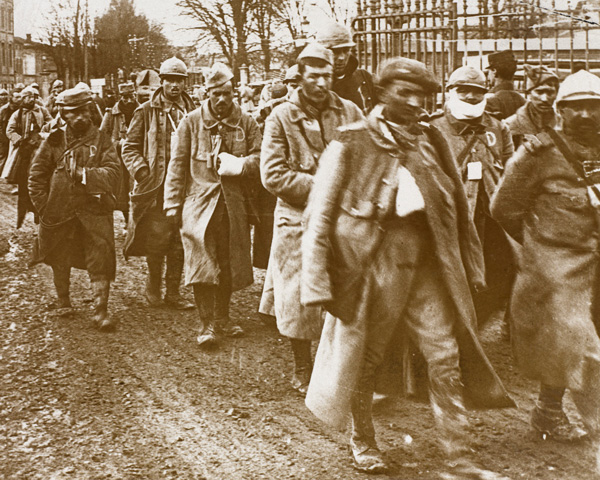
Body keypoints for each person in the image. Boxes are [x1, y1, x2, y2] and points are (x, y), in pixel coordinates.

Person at [302, 57, 514, 478]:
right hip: (372, 267)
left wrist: (471, 266)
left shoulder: (431, 139)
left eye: (422, 95)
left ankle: (458, 453)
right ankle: (363, 439)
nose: (416, 102)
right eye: (405, 93)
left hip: (428, 265)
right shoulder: (351, 141)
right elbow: (319, 216)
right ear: (382, 94)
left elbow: (457, 207)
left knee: (445, 353)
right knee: (366, 356)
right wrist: (316, 282)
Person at [491, 69, 600, 443]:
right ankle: (584, 420)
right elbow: (503, 207)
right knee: (580, 343)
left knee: (573, 343)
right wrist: (538, 244)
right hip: (560, 265)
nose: (585, 116)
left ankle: (547, 412)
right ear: (560, 110)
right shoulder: (537, 152)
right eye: (576, 108)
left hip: (595, 261)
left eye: (593, 107)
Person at [259, 43, 363, 393]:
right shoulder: (280, 117)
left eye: (327, 75)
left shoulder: (349, 110)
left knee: (347, 290)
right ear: (300, 76)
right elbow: (273, 175)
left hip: (343, 218)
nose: (321, 82)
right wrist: (322, 186)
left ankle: (337, 367)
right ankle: (302, 366)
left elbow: (365, 156)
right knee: (299, 295)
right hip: (297, 217)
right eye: (314, 75)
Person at [164, 62, 262, 345]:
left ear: (234, 93)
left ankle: (223, 318)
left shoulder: (247, 122)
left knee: (229, 262)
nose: (222, 100)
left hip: (233, 204)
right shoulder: (191, 122)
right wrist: (172, 203)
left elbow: (262, 157)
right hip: (198, 204)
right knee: (201, 262)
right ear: (206, 93)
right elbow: (177, 164)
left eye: (228, 94)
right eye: (216, 94)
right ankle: (206, 325)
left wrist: (242, 164)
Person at [28, 86, 121, 330]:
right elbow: (36, 176)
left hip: (94, 210)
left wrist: (84, 175)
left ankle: (100, 312)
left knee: (101, 254)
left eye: (83, 111)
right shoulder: (54, 140)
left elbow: (114, 173)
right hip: (59, 212)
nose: (80, 116)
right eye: (73, 112)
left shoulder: (101, 140)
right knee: (60, 253)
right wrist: (44, 207)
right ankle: (63, 301)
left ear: (90, 111)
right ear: (63, 114)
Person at [429, 66, 515, 325]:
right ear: (450, 91)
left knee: (496, 274)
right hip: (453, 216)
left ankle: (475, 326)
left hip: (491, 215)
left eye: (477, 92)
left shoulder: (498, 128)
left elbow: (510, 170)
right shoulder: (433, 128)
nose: (470, 97)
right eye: (463, 90)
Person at [122, 57, 196, 310]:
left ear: (185, 83)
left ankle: (173, 293)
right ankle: (153, 287)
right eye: (170, 80)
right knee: (157, 238)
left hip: (188, 185)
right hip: (157, 187)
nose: (175, 86)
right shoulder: (145, 110)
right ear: (162, 82)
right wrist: (142, 171)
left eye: (179, 81)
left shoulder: (194, 111)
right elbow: (129, 147)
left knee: (179, 240)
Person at [5, 85, 52, 227]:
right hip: (24, 152)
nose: (30, 100)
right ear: (23, 99)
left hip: (40, 150)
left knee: (42, 182)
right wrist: (19, 140)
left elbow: (51, 124)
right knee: (23, 184)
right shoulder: (18, 114)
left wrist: (43, 135)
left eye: (33, 97)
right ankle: (21, 216)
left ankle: (39, 215)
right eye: (27, 97)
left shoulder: (42, 111)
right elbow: (10, 130)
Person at [316, 21, 376, 114]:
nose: (342, 57)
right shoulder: (311, 82)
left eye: (346, 50)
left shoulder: (364, 77)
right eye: (335, 51)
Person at [100, 82, 139, 222]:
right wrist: (117, 143)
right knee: (122, 191)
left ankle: (136, 220)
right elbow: (102, 137)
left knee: (138, 188)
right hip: (119, 158)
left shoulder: (142, 111)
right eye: (125, 97)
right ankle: (128, 221)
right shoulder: (111, 113)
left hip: (138, 157)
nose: (129, 100)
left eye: (132, 96)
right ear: (120, 97)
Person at [505, 65, 559, 148]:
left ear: (556, 94)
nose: (545, 99)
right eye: (539, 92)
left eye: (550, 92)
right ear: (529, 93)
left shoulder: (562, 125)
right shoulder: (511, 125)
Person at [484, 50, 525, 120]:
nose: (488, 76)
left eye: (489, 71)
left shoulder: (488, 100)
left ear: (494, 70)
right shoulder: (523, 101)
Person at [0, 89, 22, 171]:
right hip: (3, 137)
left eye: (20, 97)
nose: (19, 99)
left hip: (15, 136)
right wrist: (3, 138)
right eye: (17, 97)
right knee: (3, 155)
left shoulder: (21, 108)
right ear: (11, 98)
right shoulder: (4, 110)